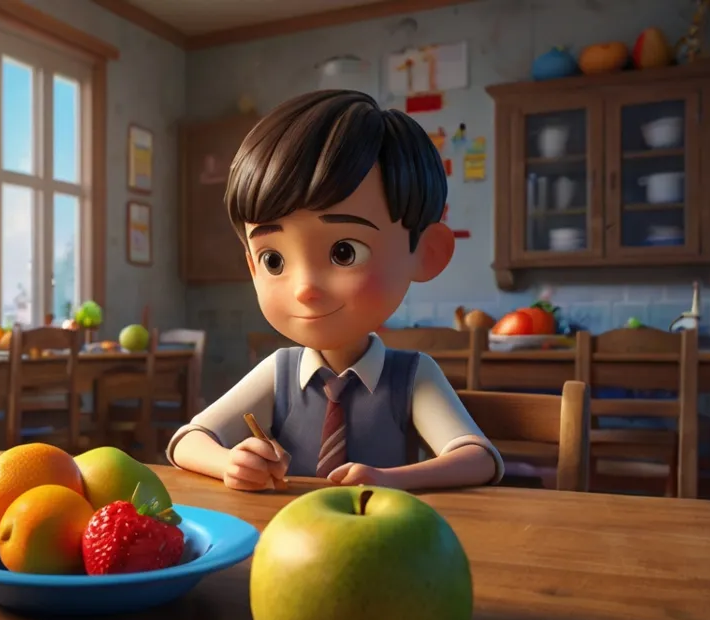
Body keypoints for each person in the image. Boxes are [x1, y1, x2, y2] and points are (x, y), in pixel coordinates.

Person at [167, 90, 502, 492]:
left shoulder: (410, 376)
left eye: (344, 252)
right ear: (253, 266)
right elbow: (188, 441)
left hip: (380, 537)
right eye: (274, 260)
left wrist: (387, 481)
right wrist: (229, 463)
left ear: (427, 253)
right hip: (287, 541)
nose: (306, 288)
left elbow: (478, 458)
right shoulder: (280, 372)